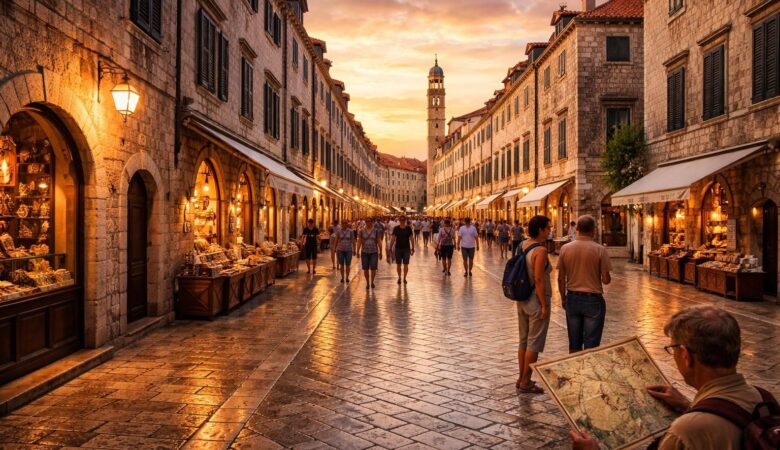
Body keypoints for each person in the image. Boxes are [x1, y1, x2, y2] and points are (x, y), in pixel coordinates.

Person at [571, 306, 776, 450]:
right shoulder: (764, 398)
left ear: (686, 356)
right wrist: (688, 406)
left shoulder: (686, 431)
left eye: (673, 348)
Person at [557, 215, 612, 353]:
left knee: (574, 343)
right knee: (591, 344)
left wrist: (563, 298)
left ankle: (574, 365)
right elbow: (606, 280)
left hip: (572, 298)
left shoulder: (565, 248)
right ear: (593, 230)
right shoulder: (600, 249)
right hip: (593, 299)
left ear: (577, 229)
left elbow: (560, 278)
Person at [515, 215, 552, 394]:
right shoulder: (540, 250)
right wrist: (544, 305)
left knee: (523, 340)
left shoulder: (522, 245)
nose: (550, 231)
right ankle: (526, 381)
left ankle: (520, 377)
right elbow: (538, 279)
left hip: (522, 298)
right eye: (548, 228)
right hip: (535, 300)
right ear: (540, 230)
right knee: (534, 342)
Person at [357, 218, 383, 289]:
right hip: (364, 252)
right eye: (367, 221)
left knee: (373, 268)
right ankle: (367, 283)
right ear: (365, 222)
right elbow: (359, 241)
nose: (369, 223)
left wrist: (381, 252)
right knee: (365, 269)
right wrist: (357, 251)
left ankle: (372, 282)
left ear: (372, 222)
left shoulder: (376, 231)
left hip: (374, 252)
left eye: (370, 221)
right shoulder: (361, 231)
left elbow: (379, 241)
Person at [390, 216, 415, 284]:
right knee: (398, 264)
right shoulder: (396, 228)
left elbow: (411, 238)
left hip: (406, 249)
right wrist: (390, 247)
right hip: (398, 248)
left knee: (405, 264)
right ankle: (399, 277)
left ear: (405, 221)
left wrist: (413, 247)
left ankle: (404, 278)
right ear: (399, 221)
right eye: (401, 220)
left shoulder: (408, 228)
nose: (402, 222)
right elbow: (393, 238)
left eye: (403, 220)